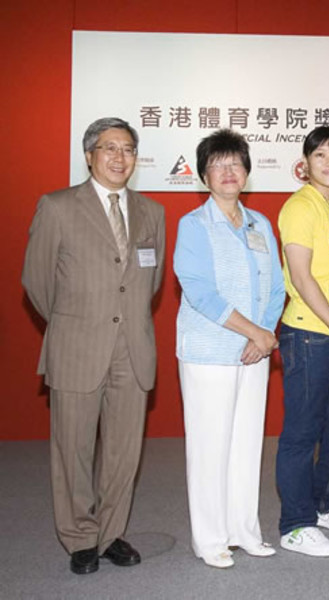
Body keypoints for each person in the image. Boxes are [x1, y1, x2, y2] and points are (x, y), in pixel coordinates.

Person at [22, 117, 165, 574]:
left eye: (127, 149)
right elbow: (38, 282)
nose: (119, 157)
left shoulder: (152, 212)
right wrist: (74, 323)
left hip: (133, 349)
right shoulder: (58, 206)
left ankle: (111, 533)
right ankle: (80, 536)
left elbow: (151, 280)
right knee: (74, 449)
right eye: (109, 148)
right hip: (78, 346)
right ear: (89, 155)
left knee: (125, 451)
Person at [174, 129, 285, 568]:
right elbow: (200, 291)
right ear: (204, 175)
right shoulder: (193, 225)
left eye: (235, 163)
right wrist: (254, 332)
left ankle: (245, 530)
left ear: (246, 172)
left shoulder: (260, 224)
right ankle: (211, 538)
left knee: (245, 445)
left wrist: (265, 333)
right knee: (209, 447)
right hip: (210, 351)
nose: (228, 172)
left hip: (253, 353)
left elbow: (276, 285)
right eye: (218, 164)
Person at [276, 126, 329, 557]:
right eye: (321, 155)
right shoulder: (300, 207)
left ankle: (326, 504)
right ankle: (295, 524)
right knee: (301, 433)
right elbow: (302, 277)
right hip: (309, 334)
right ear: (306, 162)